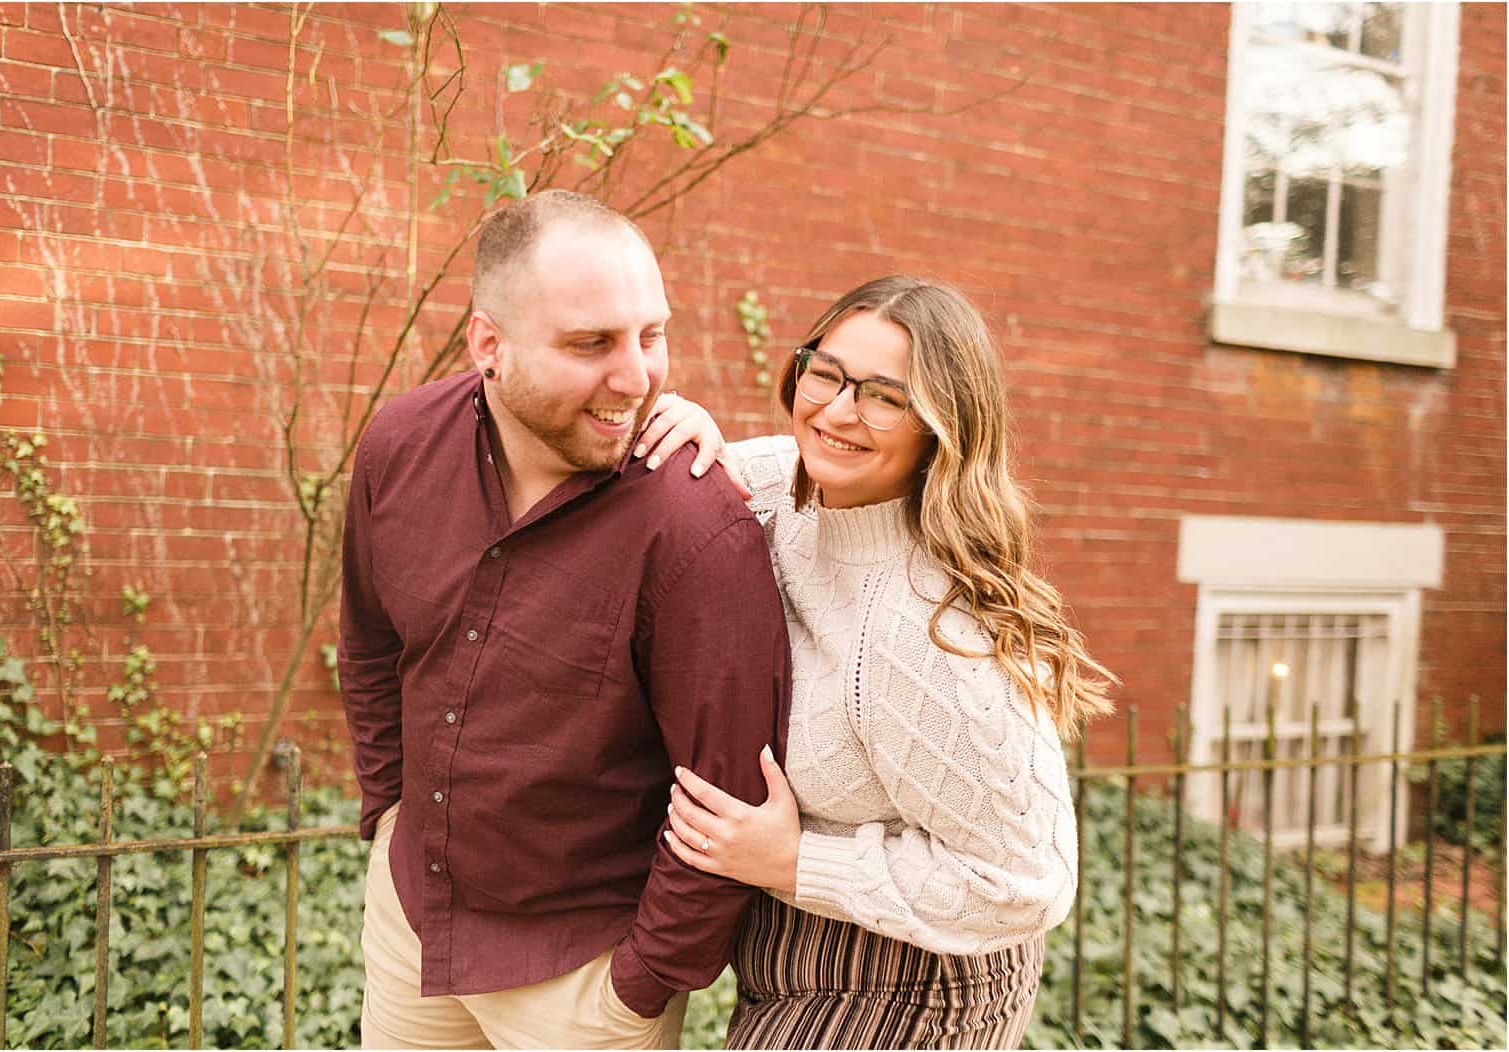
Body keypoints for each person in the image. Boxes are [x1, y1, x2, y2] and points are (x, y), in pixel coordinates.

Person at [338, 189, 792, 1050]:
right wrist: (391, 815)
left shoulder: (693, 525)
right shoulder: (398, 448)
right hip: (414, 929)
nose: (637, 376)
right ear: (488, 345)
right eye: (592, 344)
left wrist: (640, 986)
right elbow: (371, 643)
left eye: (650, 336)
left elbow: (729, 784)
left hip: (583, 975)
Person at [634, 275, 1116, 1049]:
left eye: (885, 397)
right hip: (786, 959)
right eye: (826, 373)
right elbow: (691, 470)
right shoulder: (777, 489)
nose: (836, 411)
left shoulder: (936, 634)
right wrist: (686, 423)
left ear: (940, 428)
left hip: (918, 987)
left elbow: (1028, 884)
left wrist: (796, 861)